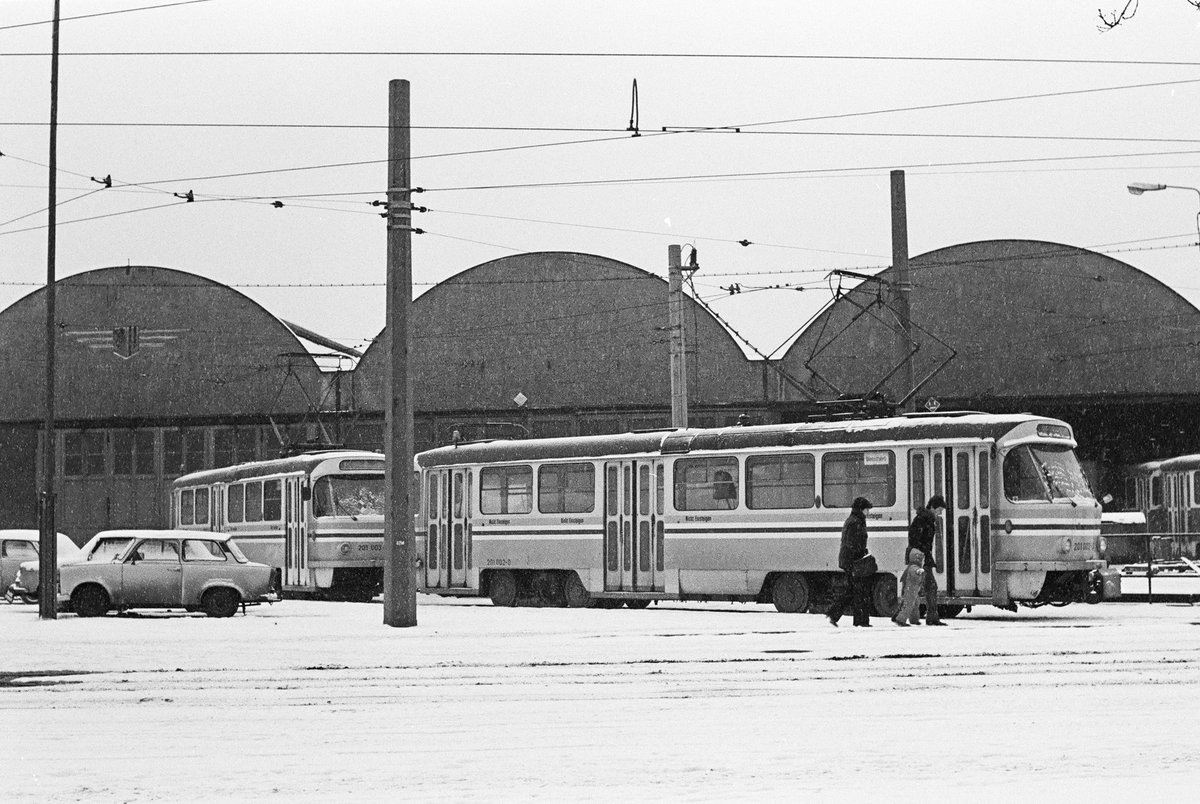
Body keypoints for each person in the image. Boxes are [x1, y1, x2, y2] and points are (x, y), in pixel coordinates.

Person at [827, 496, 874, 627]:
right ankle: (860, 621)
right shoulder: (856, 522)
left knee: (854, 591)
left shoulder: (855, 520)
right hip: (854, 561)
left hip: (851, 560)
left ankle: (835, 615)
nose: (868, 512)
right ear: (861, 509)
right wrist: (860, 555)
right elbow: (853, 543)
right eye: (867, 509)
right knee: (859, 591)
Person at [908, 495, 948, 626]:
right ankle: (931, 617)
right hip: (921, 557)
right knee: (928, 587)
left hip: (923, 557)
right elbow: (916, 539)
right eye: (939, 510)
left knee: (921, 587)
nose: (940, 513)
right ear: (932, 507)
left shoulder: (926, 519)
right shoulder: (923, 520)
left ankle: (930, 616)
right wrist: (923, 552)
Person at [892, 547, 925, 626]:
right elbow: (915, 573)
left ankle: (914, 619)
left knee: (915, 604)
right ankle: (901, 619)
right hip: (910, 590)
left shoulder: (911, 566)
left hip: (913, 590)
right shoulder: (914, 567)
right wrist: (919, 572)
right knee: (908, 604)